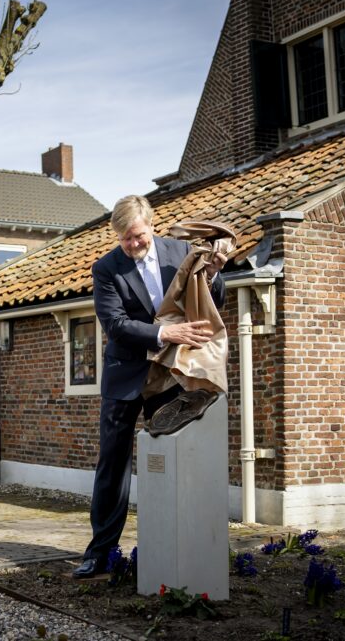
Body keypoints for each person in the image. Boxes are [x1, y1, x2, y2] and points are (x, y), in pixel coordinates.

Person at [72, 195, 227, 579]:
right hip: (125, 376)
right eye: (124, 238)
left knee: (180, 456)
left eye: (137, 236)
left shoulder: (181, 251)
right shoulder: (106, 268)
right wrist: (164, 333)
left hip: (173, 374)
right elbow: (115, 324)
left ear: (151, 225)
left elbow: (213, 300)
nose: (132, 245)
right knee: (113, 463)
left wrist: (215, 273)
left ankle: (186, 543)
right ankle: (101, 551)